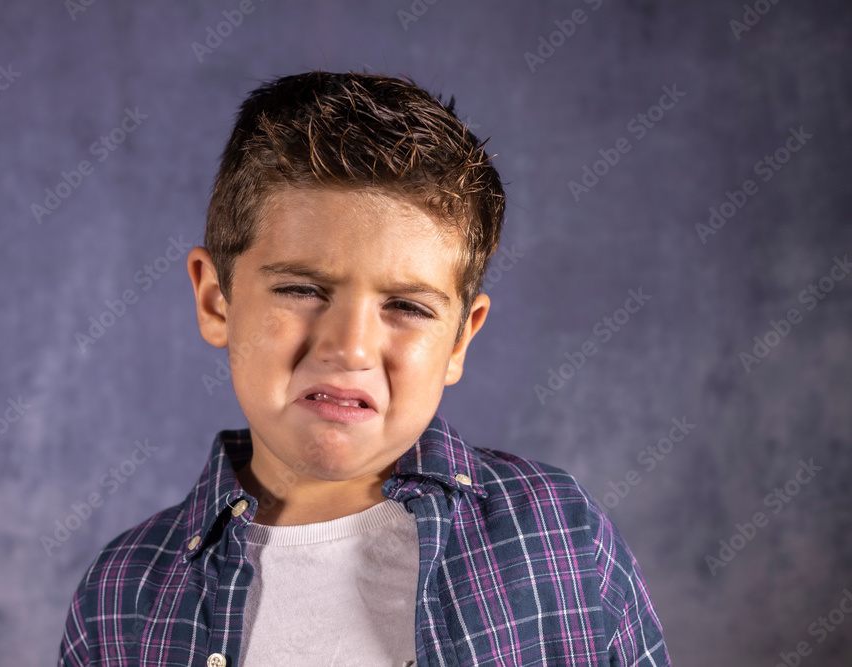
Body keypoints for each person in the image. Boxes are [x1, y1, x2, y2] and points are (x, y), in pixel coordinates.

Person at [58, 70, 671, 667]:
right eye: (300, 289)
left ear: (459, 340)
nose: (350, 348)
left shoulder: (560, 542)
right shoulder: (123, 598)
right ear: (217, 300)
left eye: (406, 306)